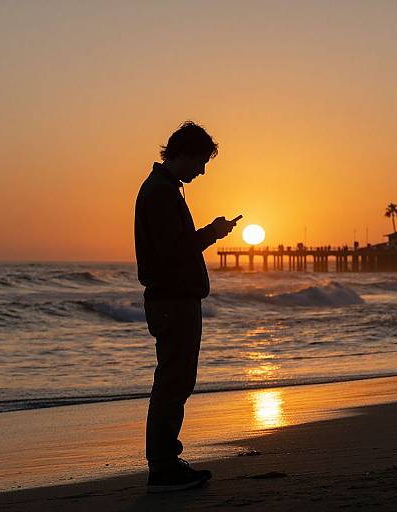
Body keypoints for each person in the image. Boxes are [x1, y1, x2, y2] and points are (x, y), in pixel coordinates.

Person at [134, 121, 240, 492]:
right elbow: (174, 253)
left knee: (176, 380)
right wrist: (210, 233)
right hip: (172, 301)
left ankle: (166, 461)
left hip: (174, 299)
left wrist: (209, 233)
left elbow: (174, 250)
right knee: (173, 381)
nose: (202, 170)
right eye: (200, 161)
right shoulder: (160, 193)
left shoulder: (164, 190)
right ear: (183, 154)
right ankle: (162, 467)